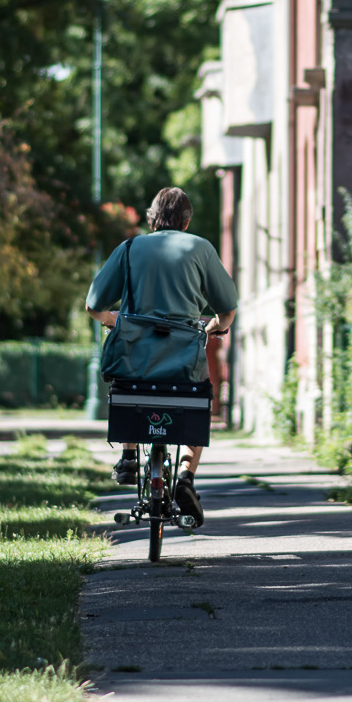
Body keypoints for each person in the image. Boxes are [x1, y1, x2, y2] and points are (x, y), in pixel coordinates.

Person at [86, 186, 237, 526]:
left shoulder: (129, 249)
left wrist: (114, 320)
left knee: (126, 383)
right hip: (183, 360)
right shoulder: (201, 248)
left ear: (151, 219)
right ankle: (185, 475)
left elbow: (93, 306)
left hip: (135, 358)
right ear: (186, 222)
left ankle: (127, 456)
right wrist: (214, 326)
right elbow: (227, 309)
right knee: (198, 397)